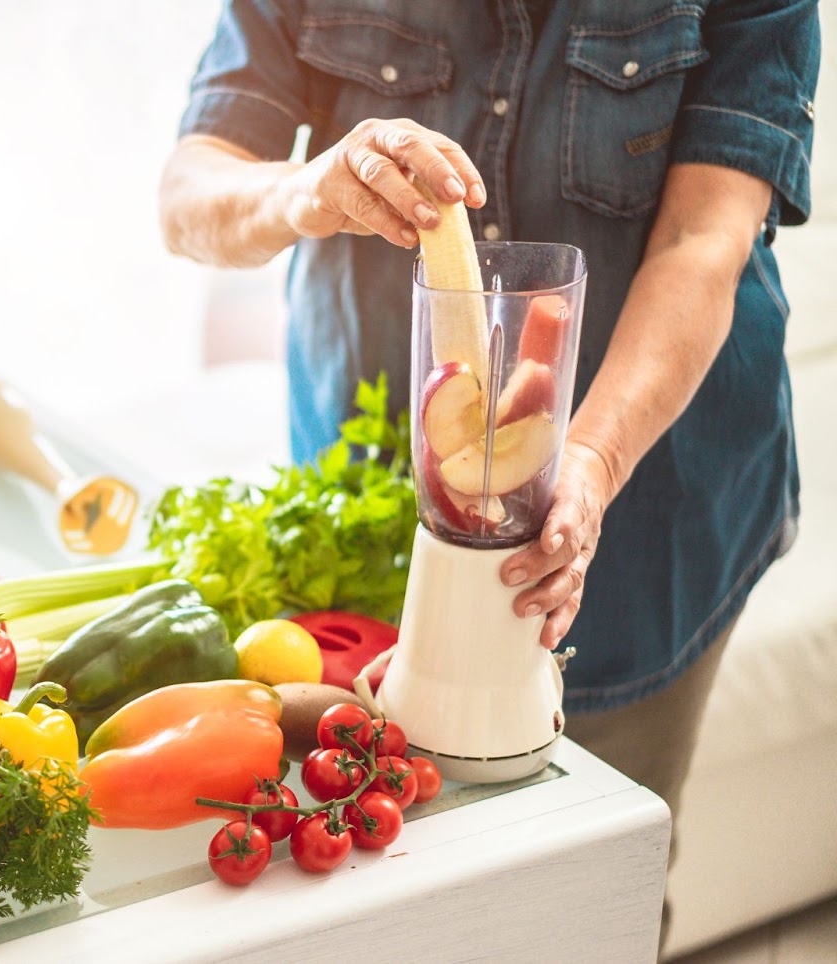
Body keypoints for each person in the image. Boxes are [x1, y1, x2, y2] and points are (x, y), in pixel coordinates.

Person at [160, 0, 818, 928]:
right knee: (372, 904)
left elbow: (704, 238)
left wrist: (584, 463)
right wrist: (311, 190)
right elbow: (188, 199)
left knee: (593, 897)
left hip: (650, 508)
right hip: (375, 510)